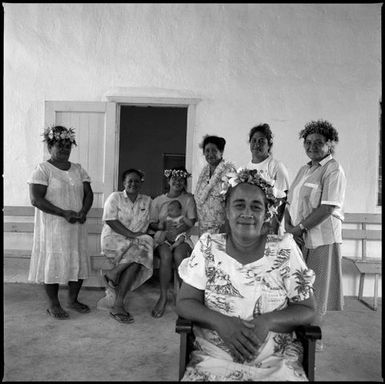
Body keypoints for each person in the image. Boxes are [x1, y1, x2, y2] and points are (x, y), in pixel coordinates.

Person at [176, 168, 316, 381]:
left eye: (256, 206)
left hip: (276, 360)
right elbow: (185, 302)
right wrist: (221, 323)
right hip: (214, 356)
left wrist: (267, 322)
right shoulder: (208, 246)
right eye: (239, 205)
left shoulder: (284, 249)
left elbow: (308, 310)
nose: (247, 213)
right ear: (226, 210)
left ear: (267, 213)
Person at [285, 120, 346, 351]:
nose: (312, 146)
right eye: (308, 142)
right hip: (299, 236)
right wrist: (290, 226)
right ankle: (299, 331)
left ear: (330, 145)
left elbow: (327, 207)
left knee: (316, 289)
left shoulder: (333, 169)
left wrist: (298, 228)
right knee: (299, 285)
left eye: (318, 142)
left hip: (322, 238)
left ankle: (312, 340)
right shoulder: (305, 168)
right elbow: (291, 200)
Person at [28, 125, 94, 320]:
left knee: (78, 261)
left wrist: (83, 211)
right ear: (50, 147)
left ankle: (72, 300)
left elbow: (88, 194)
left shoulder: (78, 169)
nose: (64, 149)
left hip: (76, 226)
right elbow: (36, 199)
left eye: (67, 146)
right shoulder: (42, 169)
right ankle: (53, 304)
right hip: (53, 228)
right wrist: (63, 213)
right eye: (59, 145)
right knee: (53, 264)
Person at [100, 168, 154, 324]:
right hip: (114, 239)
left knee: (141, 252)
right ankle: (118, 302)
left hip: (136, 243)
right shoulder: (115, 197)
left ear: (141, 183)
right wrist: (131, 234)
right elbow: (110, 220)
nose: (133, 183)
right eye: (130, 180)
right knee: (140, 252)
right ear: (123, 182)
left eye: (137, 181)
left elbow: (154, 220)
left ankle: (114, 278)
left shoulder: (147, 200)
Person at [149, 166, 197, 318]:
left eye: (181, 179)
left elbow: (192, 220)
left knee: (179, 255)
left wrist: (176, 231)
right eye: (174, 178)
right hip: (163, 239)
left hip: (181, 238)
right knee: (166, 255)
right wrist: (162, 226)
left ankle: (184, 299)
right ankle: (163, 296)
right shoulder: (158, 201)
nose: (178, 181)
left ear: (184, 182)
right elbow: (152, 223)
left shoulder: (188, 199)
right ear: (168, 180)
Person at [245, 123, 290, 234]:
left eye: (261, 141)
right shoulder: (246, 167)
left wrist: (273, 228)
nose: (257, 144)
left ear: (269, 145)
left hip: (269, 225)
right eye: (254, 140)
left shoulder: (276, 166)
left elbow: (283, 199)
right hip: (251, 223)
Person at [194, 135, 236, 235]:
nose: (210, 154)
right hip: (203, 227)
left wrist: (226, 224)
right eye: (207, 151)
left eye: (214, 150)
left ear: (221, 152)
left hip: (222, 227)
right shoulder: (204, 171)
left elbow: (233, 200)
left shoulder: (229, 170)